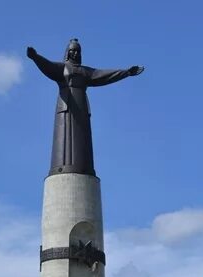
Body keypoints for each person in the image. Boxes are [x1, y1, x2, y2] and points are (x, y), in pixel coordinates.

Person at [27, 39, 144, 177]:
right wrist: (35, 57)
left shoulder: (85, 71)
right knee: (64, 140)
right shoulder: (62, 68)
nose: (75, 53)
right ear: (67, 52)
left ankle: (82, 166)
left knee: (82, 140)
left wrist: (126, 72)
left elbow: (105, 76)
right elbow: (47, 66)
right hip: (66, 106)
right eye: (73, 50)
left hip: (81, 106)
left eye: (78, 51)